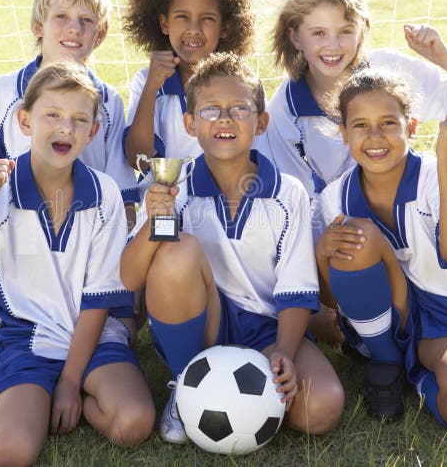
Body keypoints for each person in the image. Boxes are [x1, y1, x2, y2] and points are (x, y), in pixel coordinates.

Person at [0, 62, 155, 465]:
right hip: (28, 339)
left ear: (93, 132)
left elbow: (97, 300)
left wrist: (70, 383)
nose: (66, 128)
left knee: (133, 422)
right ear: (25, 121)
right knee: (13, 454)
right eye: (52, 115)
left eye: (80, 120)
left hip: (93, 336)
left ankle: (65, 391)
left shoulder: (105, 194)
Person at [121, 52, 344, 444]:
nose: (224, 119)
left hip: (269, 326)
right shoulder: (176, 190)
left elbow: (296, 290)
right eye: (210, 110)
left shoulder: (288, 194)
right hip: (203, 320)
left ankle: (252, 398)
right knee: (177, 250)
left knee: (322, 407)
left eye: (239, 109)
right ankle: (186, 384)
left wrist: (285, 352)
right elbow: (130, 277)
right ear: (190, 124)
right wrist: (156, 222)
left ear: (260, 122)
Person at [314, 68, 447, 428]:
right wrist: (323, 254)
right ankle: (386, 362)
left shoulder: (432, 173)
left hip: (445, 312)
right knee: (358, 236)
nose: (375, 136)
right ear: (344, 134)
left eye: (388, 123)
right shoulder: (334, 197)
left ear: (411, 127)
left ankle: (416, 377)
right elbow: (332, 301)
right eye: (360, 125)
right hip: (380, 319)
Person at [0, 0, 139, 319]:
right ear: (38, 26)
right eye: (62, 17)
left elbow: (123, 198)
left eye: (87, 20)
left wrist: (128, 289)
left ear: (100, 35)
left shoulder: (109, 101)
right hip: (17, 254)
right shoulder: (4, 92)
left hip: (87, 250)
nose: (74, 28)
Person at [257, 0, 447, 197]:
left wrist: (443, 57)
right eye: (318, 33)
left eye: (345, 31)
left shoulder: (387, 69)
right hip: (338, 225)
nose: (333, 45)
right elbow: (297, 200)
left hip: (402, 205)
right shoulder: (284, 110)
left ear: (361, 32)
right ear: (295, 37)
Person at [121, 0, 255, 168]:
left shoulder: (242, 83)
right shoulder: (146, 81)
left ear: (225, 27)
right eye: (182, 16)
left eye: (208, 19)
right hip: (164, 199)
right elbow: (138, 160)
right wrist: (152, 87)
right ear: (165, 24)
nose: (194, 29)